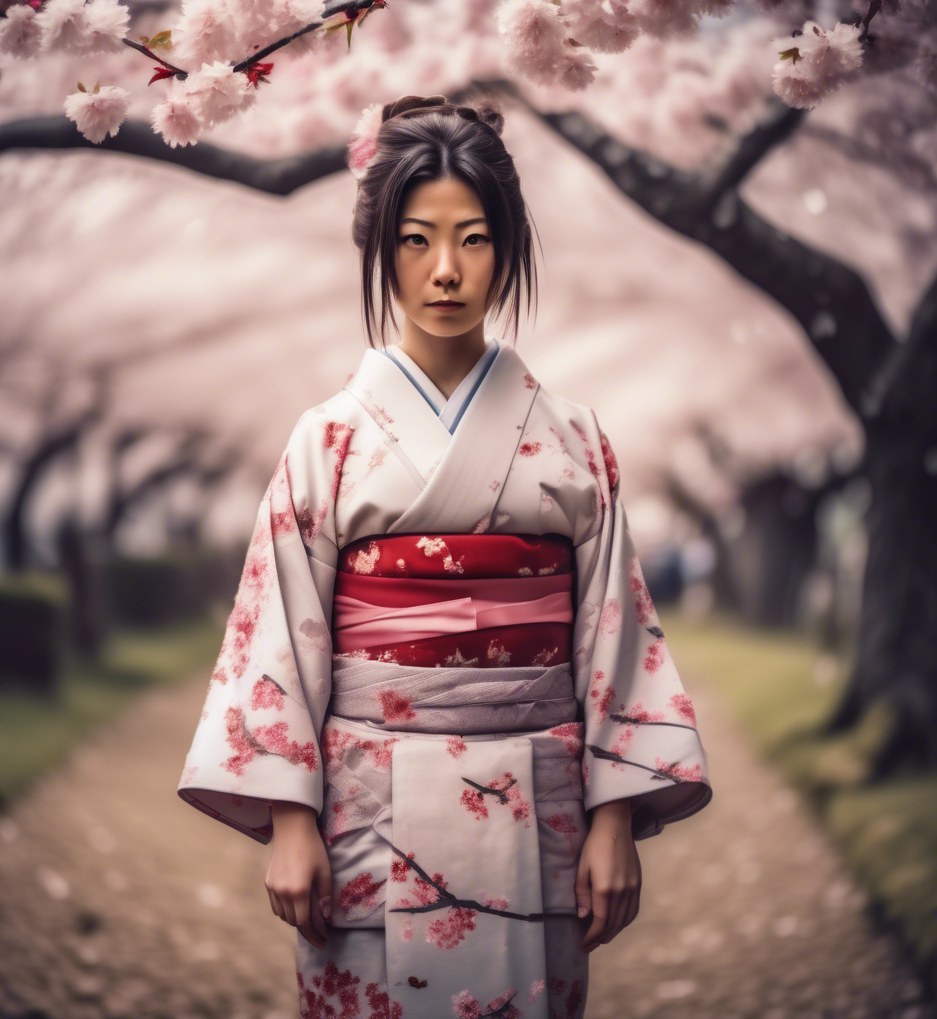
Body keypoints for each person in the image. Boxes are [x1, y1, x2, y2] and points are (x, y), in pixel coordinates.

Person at [176, 93, 713, 1019]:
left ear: (508, 247)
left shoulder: (574, 439)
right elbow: (278, 637)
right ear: (380, 249)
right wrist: (291, 821)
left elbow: (615, 639)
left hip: (534, 807)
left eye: (473, 238)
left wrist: (614, 819)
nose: (447, 270)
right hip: (364, 811)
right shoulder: (328, 440)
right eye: (417, 240)